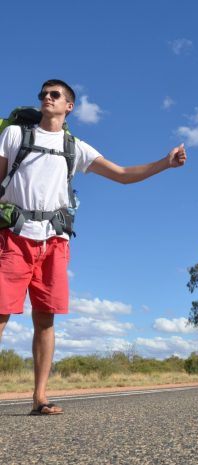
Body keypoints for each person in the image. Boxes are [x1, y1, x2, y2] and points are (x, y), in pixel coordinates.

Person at [0, 79, 187, 415]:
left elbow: (123, 174)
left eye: (54, 95)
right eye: (43, 94)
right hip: (13, 237)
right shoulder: (14, 135)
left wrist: (165, 163)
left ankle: (39, 398)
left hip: (54, 241)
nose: (46, 98)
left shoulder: (76, 147)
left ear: (69, 105)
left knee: (45, 320)